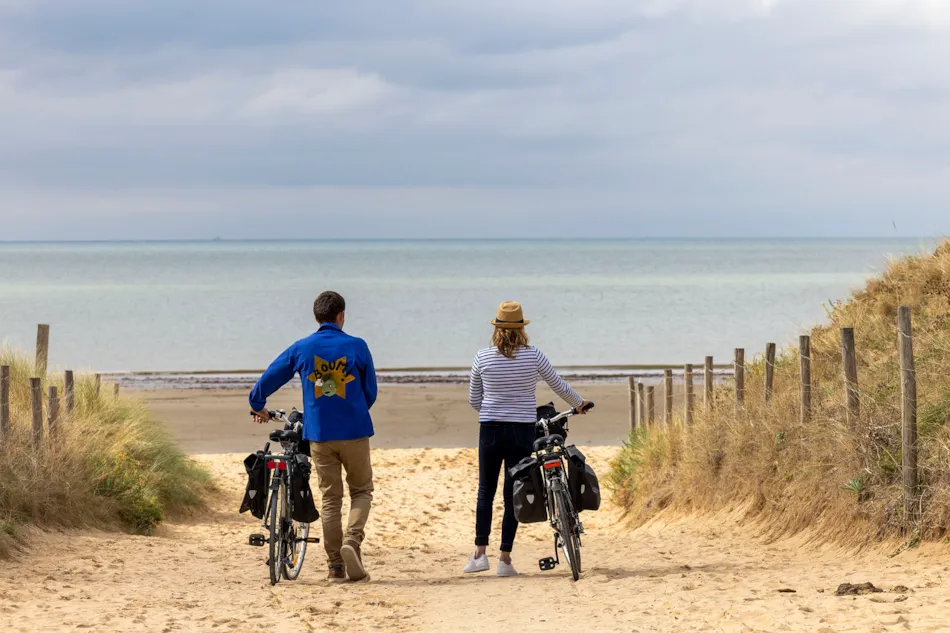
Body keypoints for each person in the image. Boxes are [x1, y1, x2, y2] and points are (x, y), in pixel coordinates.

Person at [249, 291, 377, 583]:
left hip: (319, 434)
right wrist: (354, 410)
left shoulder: (302, 348)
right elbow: (370, 391)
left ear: (317, 317)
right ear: (341, 316)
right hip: (355, 431)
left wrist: (257, 403)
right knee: (361, 491)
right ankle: (352, 543)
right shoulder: (357, 346)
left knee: (331, 498)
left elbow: (273, 374)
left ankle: (335, 567)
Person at [464, 301, 590, 577]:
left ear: (496, 328)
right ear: (522, 329)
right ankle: (504, 559)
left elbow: (474, 399)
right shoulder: (533, 356)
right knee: (513, 491)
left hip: (491, 427)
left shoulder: (482, 358)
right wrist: (579, 403)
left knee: (486, 489)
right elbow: (558, 385)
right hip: (522, 429)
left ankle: (479, 554)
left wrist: (493, 409)